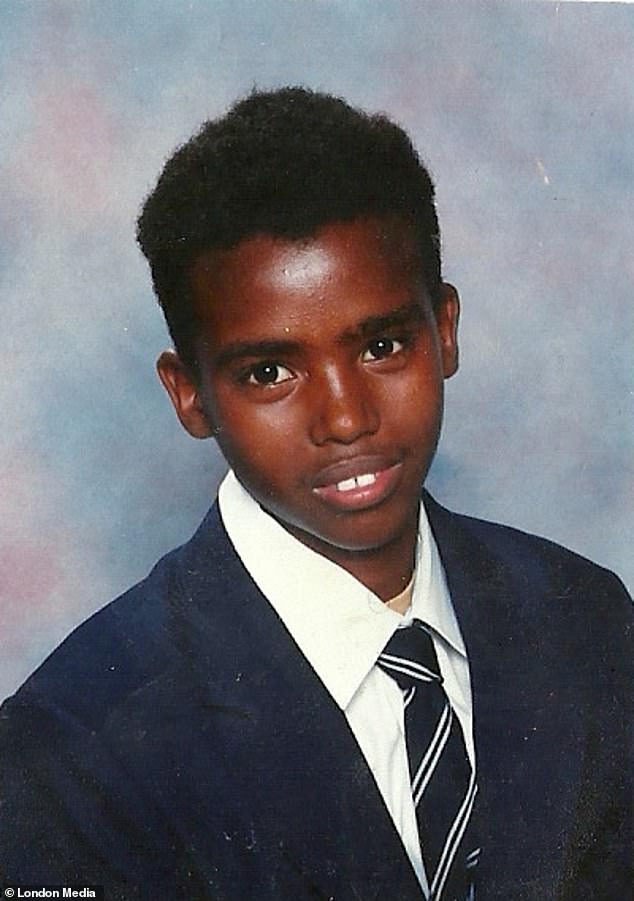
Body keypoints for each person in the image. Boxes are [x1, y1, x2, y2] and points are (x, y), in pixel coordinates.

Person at [0, 87, 631, 901]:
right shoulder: (74, 753)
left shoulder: (585, 617)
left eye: (381, 344)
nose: (346, 417)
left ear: (445, 330)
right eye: (269, 372)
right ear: (188, 393)